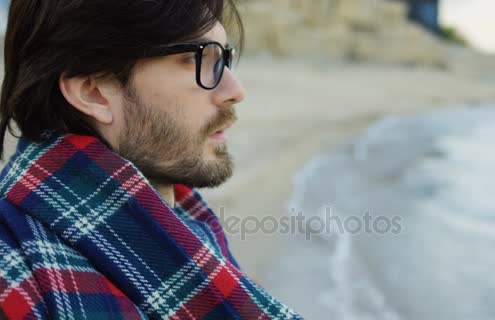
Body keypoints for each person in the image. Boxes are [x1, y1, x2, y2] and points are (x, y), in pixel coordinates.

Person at [0, 1, 302, 319]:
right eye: (196, 58)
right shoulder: (14, 284)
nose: (235, 90)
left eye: (225, 58)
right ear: (93, 92)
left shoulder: (190, 236)